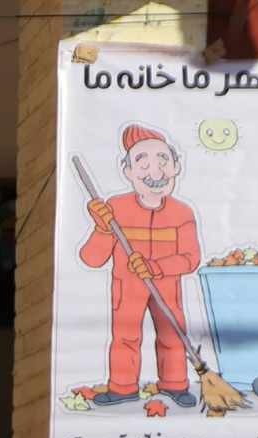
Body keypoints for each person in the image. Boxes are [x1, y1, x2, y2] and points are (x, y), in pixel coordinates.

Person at [79, 123, 202, 407]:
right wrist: (103, 228)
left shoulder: (182, 213)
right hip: (127, 286)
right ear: (128, 171)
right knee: (125, 336)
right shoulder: (115, 208)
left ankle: (175, 385)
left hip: (167, 286)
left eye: (163, 160)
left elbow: (191, 258)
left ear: (176, 167)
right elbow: (91, 259)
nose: (154, 172)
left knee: (173, 334)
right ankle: (122, 388)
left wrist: (156, 267)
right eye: (142, 162)